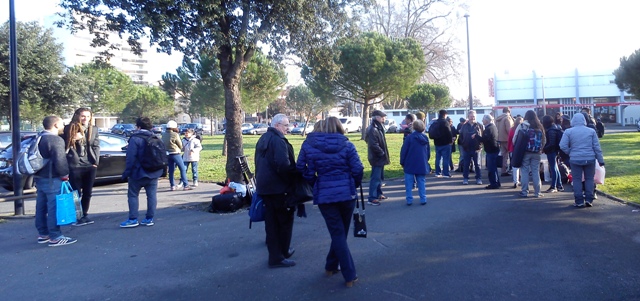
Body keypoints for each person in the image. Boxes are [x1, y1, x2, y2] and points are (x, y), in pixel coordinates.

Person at [296, 116, 364, 287]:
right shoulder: (347, 145)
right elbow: (358, 169)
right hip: (346, 194)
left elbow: (301, 168)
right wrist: (352, 183)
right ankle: (350, 275)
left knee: (337, 232)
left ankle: (331, 266)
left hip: (325, 194)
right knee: (340, 233)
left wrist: (315, 182)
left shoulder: (309, 145)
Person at [255, 113, 298, 268]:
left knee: (272, 223)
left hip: (266, 187)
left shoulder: (263, 138)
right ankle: (279, 255)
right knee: (283, 222)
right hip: (279, 188)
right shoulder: (278, 141)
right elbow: (283, 165)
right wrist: (292, 180)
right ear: (277, 125)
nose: (288, 128)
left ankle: (278, 253)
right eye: (286, 125)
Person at [34, 116, 76, 246]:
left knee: (41, 206)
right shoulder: (55, 140)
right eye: (62, 124)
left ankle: (43, 234)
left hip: (39, 177)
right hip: (52, 178)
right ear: (56, 125)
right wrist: (65, 175)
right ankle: (55, 236)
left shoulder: (38, 137)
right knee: (54, 207)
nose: (64, 126)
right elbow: (60, 160)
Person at [120, 117, 164, 228]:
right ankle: (149, 218)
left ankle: (133, 219)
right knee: (152, 196)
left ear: (138, 126)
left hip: (138, 172)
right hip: (154, 171)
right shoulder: (156, 137)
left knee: (133, 195)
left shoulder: (135, 139)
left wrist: (127, 172)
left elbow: (130, 157)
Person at [62, 108, 100, 226]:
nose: (85, 119)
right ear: (77, 116)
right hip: (75, 165)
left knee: (88, 192)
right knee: (76, 192)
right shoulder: (69, 128)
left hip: (89, 164)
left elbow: (96, 146)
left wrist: (95, 162)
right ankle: (77, 216)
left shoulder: (93, 129)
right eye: (83, 116)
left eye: (88, 116)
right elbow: (64, 146)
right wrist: (74, 138)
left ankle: (84, 213)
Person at [559, 113, 604, 208]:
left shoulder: (568, 131)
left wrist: (570, 152)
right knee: (589, 179)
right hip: (590, 158)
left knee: (577, 180)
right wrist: (600, 160)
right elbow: (597, 147)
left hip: (575, 158)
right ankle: (589, 199)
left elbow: (562, 145)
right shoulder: (591, 131)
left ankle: (579, 201)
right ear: (584, 120)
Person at [514, 110, 546, 198]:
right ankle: (537, 192)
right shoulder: (539, 126)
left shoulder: (522, 125)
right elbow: (544, 140)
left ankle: (524, 191)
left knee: (524, 171)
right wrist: (541, 148)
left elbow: (515, 138)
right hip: (536, 152)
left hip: (525, 152)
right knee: (535, 171)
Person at [400, 120, 430, 205]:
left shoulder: (409, 138)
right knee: (421, 181)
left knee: (408, 183)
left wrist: (402, 162)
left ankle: (409, 199)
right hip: (421, 162)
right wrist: (426, 160)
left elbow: (404, 151)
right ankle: (423, 198)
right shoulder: (425, 138)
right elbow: (428, 152)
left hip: (410, 162)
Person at [365, 110, 390, 206]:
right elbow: (373, 144)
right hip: (377, 157)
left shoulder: (378, 127)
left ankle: (379, 193)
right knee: (375, 178)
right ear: (376, 117)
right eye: (382, 116)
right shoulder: (373, 129)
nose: (384, 118)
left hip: (379, 156)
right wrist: (381, 153)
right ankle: (372, 197)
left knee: (379, 177)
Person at [163, 120, 192, 191]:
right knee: (182, 168)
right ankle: (186, 185)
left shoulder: (163, 134)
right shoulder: (175, 135)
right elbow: (180, 144)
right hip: (175, 153)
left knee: (171, 170)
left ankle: (172, 185)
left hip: (167, 153)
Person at [458, 110, 483, 185]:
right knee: (466, 164)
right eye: (471, 116)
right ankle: (465, 178)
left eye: (474, 116)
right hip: (466, 148)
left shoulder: (480, 125)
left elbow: (483, 136)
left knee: (477, 164)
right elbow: (461, 137)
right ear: (468, 117)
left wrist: (480, 145)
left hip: (476, 148)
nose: (472, 118)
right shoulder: (464, 126)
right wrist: (463, 144)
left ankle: (478, 178)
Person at [542, 115, 564, 193]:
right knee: (555, 168)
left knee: (553, 168)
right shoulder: (555, 128)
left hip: (551, 151)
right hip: (555, 150)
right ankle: (559, 185)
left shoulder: (550, 130)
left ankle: (553, 186)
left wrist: (544, 149)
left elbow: (551, 143)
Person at [481, 114, 500, 189]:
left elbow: (485, 139)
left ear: (486, 120)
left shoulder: (488, 129)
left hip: (491, 150)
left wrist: (476, 136)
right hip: (494, 149)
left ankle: (493, 183)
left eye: (483, 119)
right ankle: (496, 182)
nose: (482, 120)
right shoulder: (493, 127)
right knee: (494, 168)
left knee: (491, 168)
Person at [432, 110, 452, 178]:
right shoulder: (445, 122)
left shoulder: (435, 122)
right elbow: (449, 132)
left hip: (437, 143)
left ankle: (438, 172)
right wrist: (450, 140)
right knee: (446, 158)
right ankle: (446, 173)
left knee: (438, 158)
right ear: (445, 114)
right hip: (445, 143)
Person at [495, 107, 514, 176]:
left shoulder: (498, 119)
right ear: (509, 111)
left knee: (503, 155)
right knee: (512, 154)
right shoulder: (507, 118)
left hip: (500, 138)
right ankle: (515, 171)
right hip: (507, 139)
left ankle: (503, 170)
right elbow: (509, 129)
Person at [508, 117, 523, 188]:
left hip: (513, 149)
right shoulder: (523, 129)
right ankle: (523, 180)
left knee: (514, 166)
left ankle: (515, 181)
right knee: (523, 166)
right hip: (522, 149)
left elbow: (510, 139)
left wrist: (509, 148)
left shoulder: (512, 129)